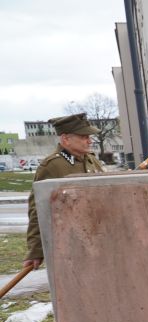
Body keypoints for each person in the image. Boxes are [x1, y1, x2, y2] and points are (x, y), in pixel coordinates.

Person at [24, 113, 104, 269]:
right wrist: (36, 250)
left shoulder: (91, 160)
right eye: (84, 137)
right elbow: (38, 210)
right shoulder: (53, 166)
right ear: (66, 139)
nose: (89, 141)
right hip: (71, 244)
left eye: (89, 137)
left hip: (98, 237)